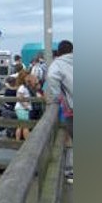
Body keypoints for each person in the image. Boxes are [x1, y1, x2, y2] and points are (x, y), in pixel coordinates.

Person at [46, 40, 74, 182]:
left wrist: (57, 96)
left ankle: (71, 171)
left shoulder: (57, 64)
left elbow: (52, 77)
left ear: (59, 52)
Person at [13, 73, 32, 142]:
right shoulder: (22, 87)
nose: (29, 78)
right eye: (27, 77)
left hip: (21, 108)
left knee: (20, 126)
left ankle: (17, 141)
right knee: (25, 126)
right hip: (22, 109)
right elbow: (19, 98)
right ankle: (27, 143)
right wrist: (25, 106)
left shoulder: (25, 87)